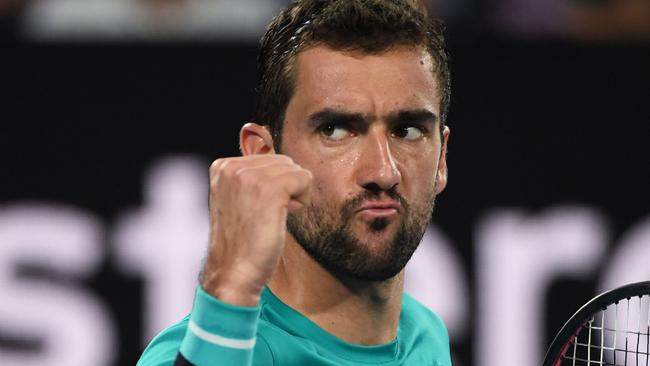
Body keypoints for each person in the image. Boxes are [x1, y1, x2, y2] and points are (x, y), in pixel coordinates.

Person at [137, 0, 452, 365]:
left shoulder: (424, 333)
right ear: (263, 155)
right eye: (334, 130)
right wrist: (228, 291)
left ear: (442, 158)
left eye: (407, 130)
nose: (383, 172)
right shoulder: (199, 355)